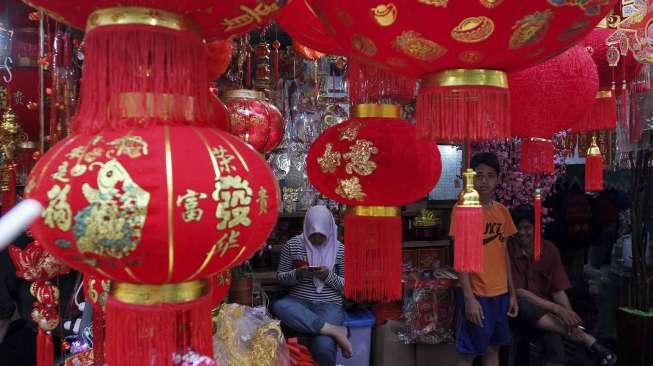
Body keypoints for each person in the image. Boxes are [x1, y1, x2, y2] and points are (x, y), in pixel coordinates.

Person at [508, 206, 617, 366]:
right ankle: (588, 340)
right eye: (518, 229)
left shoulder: (549, 250)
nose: (522, 233)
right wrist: (558, 310)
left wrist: (570, 316)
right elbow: (519, 292)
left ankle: (575, 336)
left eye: (527, 228)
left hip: (546, 317)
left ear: (536, 228)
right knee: (524, 305)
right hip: (517, 312)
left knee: (555, 345)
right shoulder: (507, 250)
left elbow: (558, 289)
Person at [453, 152, 519, 366]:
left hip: (500, 293)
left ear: (498, 179)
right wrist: (469, 298)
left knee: (493, 349)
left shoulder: (502, 212)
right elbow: (460, 255)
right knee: (469, 353)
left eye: (490, 176)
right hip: (477, 293)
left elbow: (504, 253)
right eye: (479, 175)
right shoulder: (463, 209)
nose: (484, 181)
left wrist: (512, 293)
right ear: (471, 178)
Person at [272, 205, 352, 366]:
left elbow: (347, 286)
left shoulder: (340, 250)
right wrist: (298, 274)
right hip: (298, 303)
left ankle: (327, 330)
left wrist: (327, 276)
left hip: (329, 306)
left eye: (321, 236)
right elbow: (281, 277)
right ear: (306, 228)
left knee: (324, 345)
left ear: (329, 230)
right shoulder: (293, 245)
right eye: (312, 235)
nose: (316, 240)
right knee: (280, 305)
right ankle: (334, 330)